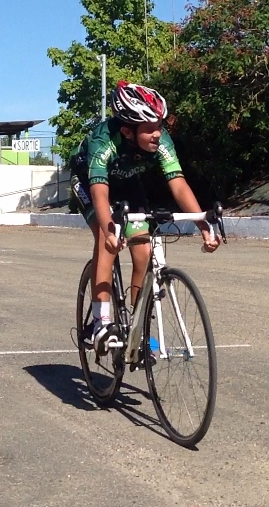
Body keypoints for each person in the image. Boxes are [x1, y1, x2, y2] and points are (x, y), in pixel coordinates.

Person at [70, 80, 220, 353]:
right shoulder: (104, 141)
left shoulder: (160, 140)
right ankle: (101, 322)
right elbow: (101, 196)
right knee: (107, 238)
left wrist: (203, 223)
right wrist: (110, 230)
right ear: (128, 131)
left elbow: (178, 184)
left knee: (143, 251)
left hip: (127, 184)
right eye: (150, 129)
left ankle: (136, 325)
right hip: (91, 183)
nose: (157, 134)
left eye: (160, 127)